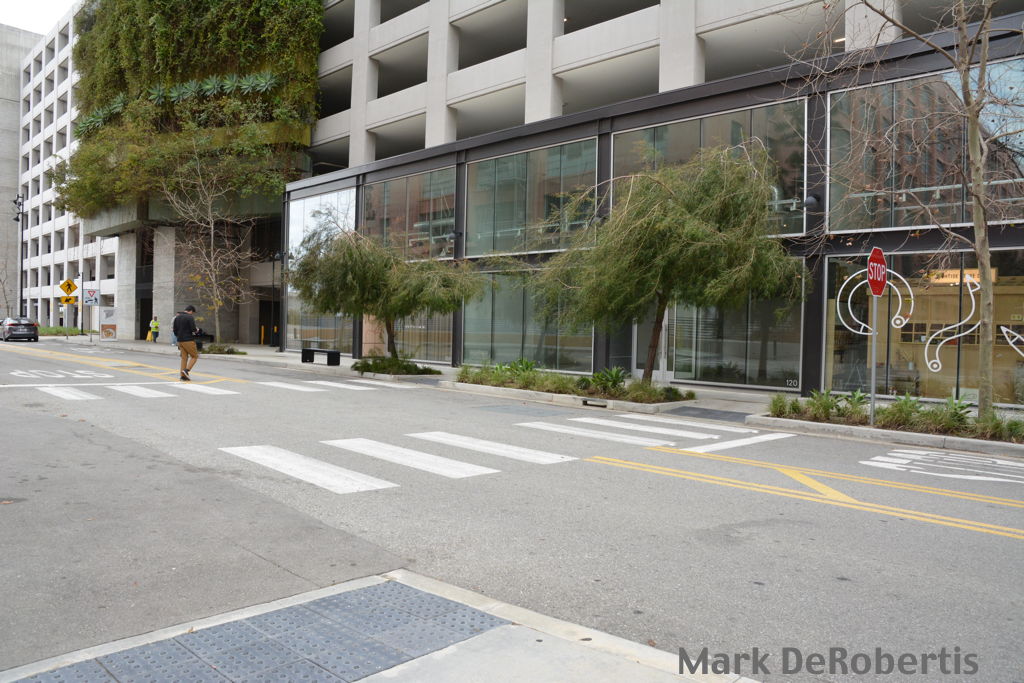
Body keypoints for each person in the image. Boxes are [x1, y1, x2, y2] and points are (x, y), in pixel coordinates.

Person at [172, 305, 200, 382]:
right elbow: (193, 329)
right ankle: (186, 370)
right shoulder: (190, 317)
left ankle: (183, 377)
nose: (192, 314)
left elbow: (174, 330)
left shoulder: (177, 317)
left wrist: (179, 336)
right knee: (194, 356)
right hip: (188, 340)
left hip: (180, 340)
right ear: (190, 311)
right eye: (192, 312)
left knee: (184, 358)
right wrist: (197, 330)